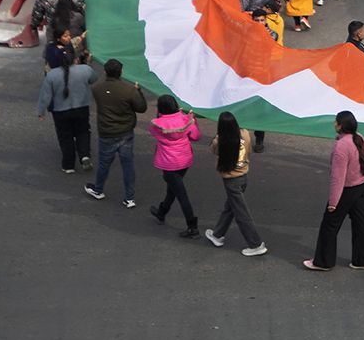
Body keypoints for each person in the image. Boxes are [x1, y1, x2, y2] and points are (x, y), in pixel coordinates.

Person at [305, 111, 364, 271]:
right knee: (360, 223)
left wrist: (333, 203)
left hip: (347, 190)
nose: (334, 124)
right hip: (362, 186)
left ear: (340, 125)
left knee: (329, 225)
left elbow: (338, 178)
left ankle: (323, 262)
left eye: (336, 122)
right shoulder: (360, 138)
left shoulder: (341, 147)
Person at [85, 59, 147, 208]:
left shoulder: (97, 89)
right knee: (128, 165)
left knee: (104, 163)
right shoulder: (129, 90)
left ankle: (98, 189)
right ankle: (129, 198)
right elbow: (141, 108)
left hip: (107, 133)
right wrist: (138, 91)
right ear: (121, 72)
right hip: (125, 132)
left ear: (105, 72)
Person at [205, 111, 266, 256]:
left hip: (231, 179)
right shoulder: (245, 134)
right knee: (231, 207)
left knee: (241, 213)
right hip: (243, 175)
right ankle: (217, 234)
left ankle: (256, 244)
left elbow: (213, 151)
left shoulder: (220, 141)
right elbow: (249, 151)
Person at [36, 45, 98, 174]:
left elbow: (45, 96)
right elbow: (94, 79)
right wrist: (87, 63)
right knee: (83, 132)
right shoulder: (85, 70)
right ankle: (84, 155)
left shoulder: (52, 75)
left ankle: (68, 165)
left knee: (65, 137)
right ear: (75, 58)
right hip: (81, 108)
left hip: (60, 111)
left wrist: (41, 112)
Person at [148, 94, 202, 239]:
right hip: (184, 160)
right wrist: (192, 120)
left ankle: (192, 226)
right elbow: (196, 137)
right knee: (173, 189)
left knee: (180, 194)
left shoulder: (157, 124)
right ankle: (162, 212)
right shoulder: (185, 120)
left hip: (168, 162)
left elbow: (154, 129)